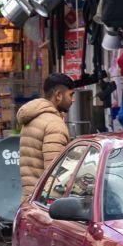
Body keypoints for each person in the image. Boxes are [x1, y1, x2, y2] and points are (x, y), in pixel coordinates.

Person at [18, 72, 74, 200]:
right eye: (71, 95)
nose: (73, 99)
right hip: (44, 203)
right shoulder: (54, 124)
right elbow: (55, 173)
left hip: (29, 199)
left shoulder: (33, 118)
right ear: (58, 95)